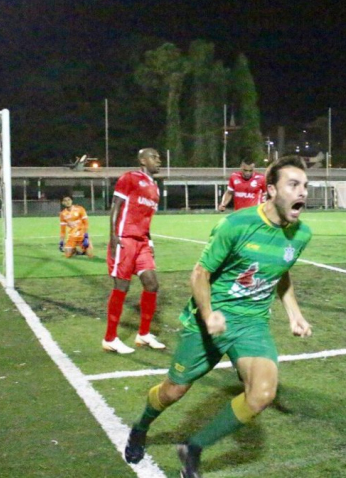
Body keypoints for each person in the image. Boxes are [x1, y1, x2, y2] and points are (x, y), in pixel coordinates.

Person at [124, 156, 313, 477]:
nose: (303, 192)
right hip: (209, 321)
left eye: (306, 186)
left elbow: (281, 272)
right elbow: (200, 274)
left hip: (251, 323)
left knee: (262, 394)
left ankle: (193, 447)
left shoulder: (301, 234)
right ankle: (141, 426)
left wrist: (294, 312)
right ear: (271, 190)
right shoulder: (236, 225)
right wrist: (209, 314)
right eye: (293, 185)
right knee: (174, 391)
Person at [103, 148, 166, 354]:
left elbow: (147, 220)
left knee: (151, 283)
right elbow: (116, 207)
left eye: (158, 157)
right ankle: (110, 338)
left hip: (142, 242)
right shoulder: (130, 178)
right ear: (142, 160)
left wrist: (150, 242)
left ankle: (144, 334)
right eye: (154, 157)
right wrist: (113, 237)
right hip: (125, 239)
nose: (158, 160)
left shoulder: (155, 188)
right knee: (122, 286)